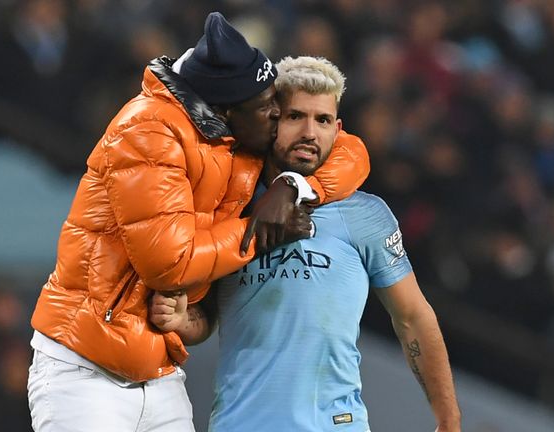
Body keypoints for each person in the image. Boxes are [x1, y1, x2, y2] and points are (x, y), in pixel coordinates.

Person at [27, 12, 370, 432]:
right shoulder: (148, 130)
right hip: (85, 368)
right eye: (266, 108)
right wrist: (258, 234)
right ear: (225, 111)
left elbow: (351, 151)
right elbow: (169, 263)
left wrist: (295, 187)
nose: (276, 118)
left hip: (158, 370)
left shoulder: (239, 132)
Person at [150, 56, 461, 431]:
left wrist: (448, 418)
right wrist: (184, 319)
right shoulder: (229, 206)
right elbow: (211, 318)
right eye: (296, 116)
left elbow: (412, 317)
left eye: (323, 120)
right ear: (271, 120)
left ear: (338, 128)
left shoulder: (365, 214)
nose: (310, 132)